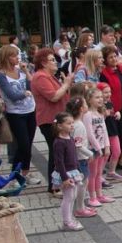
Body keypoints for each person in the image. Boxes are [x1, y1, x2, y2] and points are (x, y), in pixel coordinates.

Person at [0, 45, 39, 184]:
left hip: (30, 110)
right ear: (7, 58)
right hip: (15, 113)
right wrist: (24, 93)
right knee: (23, 144)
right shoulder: (1, 75)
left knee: (29, 143)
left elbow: (32, 86)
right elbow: (12, 95)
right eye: (14, 55)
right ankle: (15, 172)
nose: (17, 58)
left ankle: (25, 172)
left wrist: (26, 72)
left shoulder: (20, 70)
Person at [32, 49, 72, 193]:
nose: (56, 62)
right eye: (52, 60)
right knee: (56, 153)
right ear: (43, 63)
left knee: (59, 153)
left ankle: (60, 183)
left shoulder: (50, 76)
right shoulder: (40, 77)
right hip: (49, 121)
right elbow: (54, 96)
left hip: (58, 118)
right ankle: (54, 186)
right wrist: (66, 84)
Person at [99, 46, 122, 170]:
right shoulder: (104, 74)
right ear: (105, 59)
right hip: (116, 107)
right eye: (110, 57)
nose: (114, 59)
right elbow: (105, 93)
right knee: (119, 132)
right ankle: (117, 158)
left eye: (115, 56)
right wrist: (109, 108)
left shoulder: (120, 69)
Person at [67, 96, 96, 218]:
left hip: (78, 158)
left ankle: (81, 206)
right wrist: (90, 153)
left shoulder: (76, 123)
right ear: (81, 109)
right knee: (82, 183)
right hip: (80, 159)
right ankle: (80, 208)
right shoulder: (78, 125)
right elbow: (78, 145)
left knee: (84, 182)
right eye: (85, 103)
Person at [82, 87, 113, 205]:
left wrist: (107, 146)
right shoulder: (88, 115)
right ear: (89, 100)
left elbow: (104, 130)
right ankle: (92, 197)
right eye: (97, 97)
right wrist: (98, 148)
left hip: (101, 148)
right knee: (92, 173)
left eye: (101, 97)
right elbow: (89, 133)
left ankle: (100, 194)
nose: (100, 99)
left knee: (99, 173)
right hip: (92, 149)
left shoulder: (100, 113)